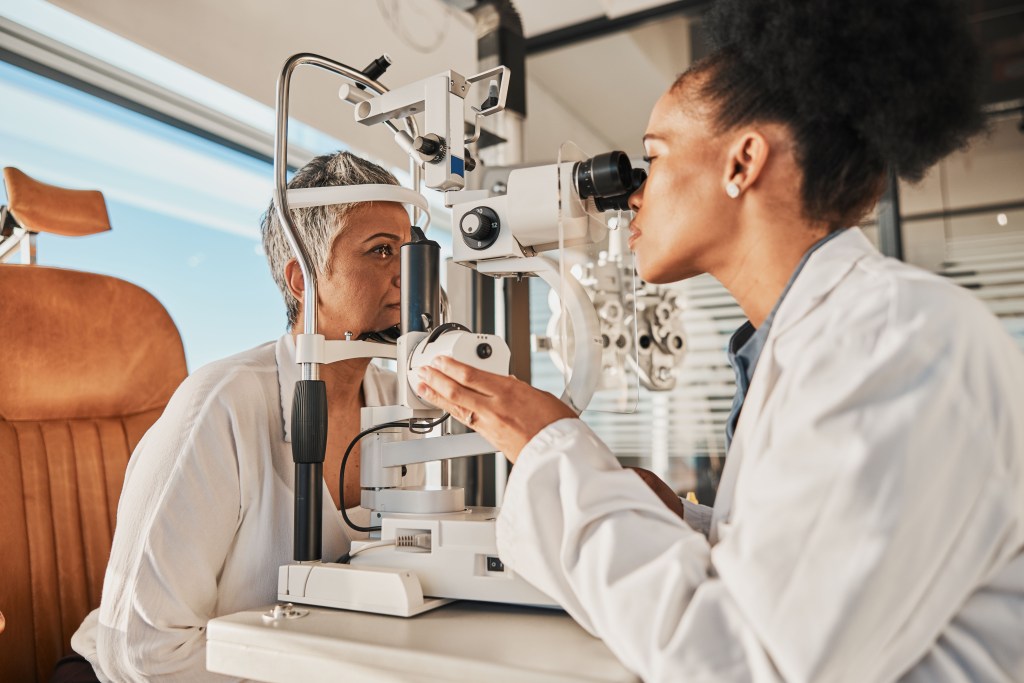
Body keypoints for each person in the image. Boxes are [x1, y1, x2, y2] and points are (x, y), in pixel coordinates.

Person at [417, 1, 1024, 681]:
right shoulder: (812, 339)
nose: (631, 196)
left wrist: (551, 451)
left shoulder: (896, 341)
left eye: (653, 157)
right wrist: (684, 518)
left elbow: (742, 660)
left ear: (743, 162)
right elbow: (811, 567)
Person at [62, 151, 422, 682]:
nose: (406, 276)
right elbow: (143, 653)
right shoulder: (221, 404)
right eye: (381, 251)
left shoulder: (400, 402)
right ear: (302, 281)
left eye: (412, 253)